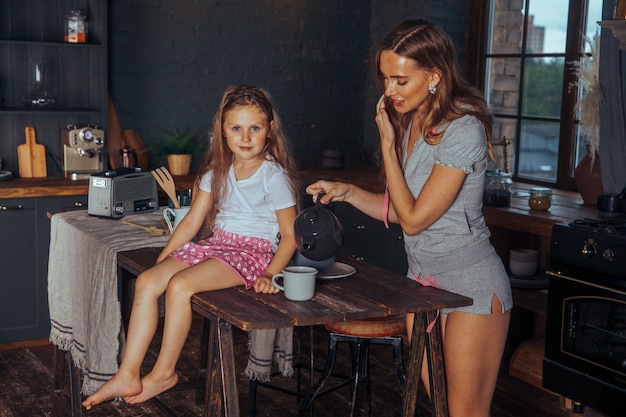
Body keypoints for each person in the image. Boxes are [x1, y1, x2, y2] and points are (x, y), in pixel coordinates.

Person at [306, 20, 512, 417]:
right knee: (441, 409)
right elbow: (402, 209)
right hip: (423, 286)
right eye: (385, 79)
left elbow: (414, 220)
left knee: (466, 413)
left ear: (434, 75)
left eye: (400, 80)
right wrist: (347, 190)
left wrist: (385, 143)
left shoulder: (463, 130)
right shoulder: (413, 122)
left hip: (471, 285)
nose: (389, 90)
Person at [82, 85, 300, 409]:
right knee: (147, 281)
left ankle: (164, 372)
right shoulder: (217, 172)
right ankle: (128, 372)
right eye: (236, 128)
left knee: (180, 285)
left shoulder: (273, 176)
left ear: (270, 130)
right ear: (223, 131)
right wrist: (164, 257)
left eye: (254, 128)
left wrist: (270, 272)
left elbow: (291, 235)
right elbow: (191, 223)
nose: (245, 136)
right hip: (218, 245)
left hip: (252, 252)